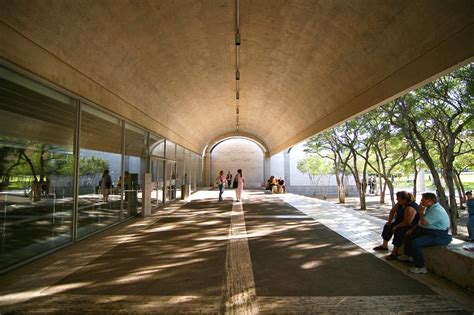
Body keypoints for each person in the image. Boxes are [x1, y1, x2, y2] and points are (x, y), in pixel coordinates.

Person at [400, 192, 452, 274]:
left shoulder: (436, 210)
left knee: (416, 243)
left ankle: (420, 266)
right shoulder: (430, 207)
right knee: (410, 234)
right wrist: (412, 229)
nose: (421, 201)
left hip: (438, 235)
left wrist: (420, 212)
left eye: (422, 199)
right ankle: (408, 255)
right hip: (428, 230)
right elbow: (421, 223)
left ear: (429, 201)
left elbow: (424, 222)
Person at [373, 191, 418, 260]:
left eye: (398, 198)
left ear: (404, 199)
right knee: (388, 226)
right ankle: (384, 246)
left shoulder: (410, 207)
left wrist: (396, 226)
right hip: (400, 222)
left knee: (398, 231)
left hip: (410, 226)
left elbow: (407, 222)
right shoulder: (400, 204)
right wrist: (389, 221)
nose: (397, 199)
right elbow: (392, 211)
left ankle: (394, 252)